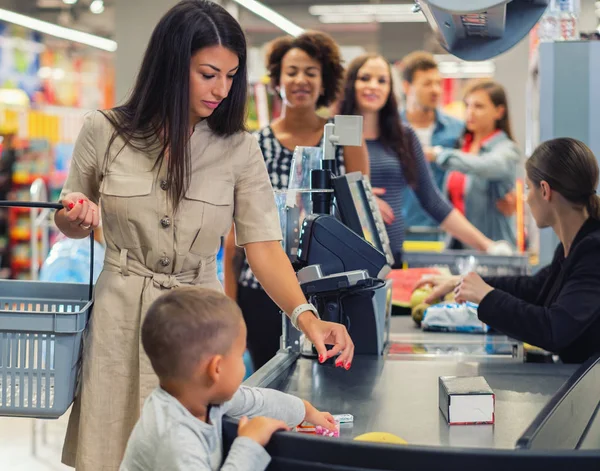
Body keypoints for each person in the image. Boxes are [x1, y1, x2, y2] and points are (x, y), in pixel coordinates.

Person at [55, 3, 354, 469]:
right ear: (173, 64)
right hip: (119, 316)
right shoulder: (104, 132)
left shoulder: (239, 147)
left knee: (188, 452)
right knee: (109, 452)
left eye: (231, 76)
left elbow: (263, 247)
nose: (221, 89)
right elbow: (69, 213)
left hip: (200, 321)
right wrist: (75, 218)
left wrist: (307, 319)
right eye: (209, 73)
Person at [223, 31, 368, 370]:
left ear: (324, 81)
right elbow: (235, 237)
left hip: (332, 289)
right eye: (291, 72)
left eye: (310, 72)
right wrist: (229, 304)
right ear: (277, 80)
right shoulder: (255, 143)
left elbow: (359, 217)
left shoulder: (344, 138)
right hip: (261, 290)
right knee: (267, 381)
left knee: (332, 384)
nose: (300, 80)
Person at [418, 138, 600, 364]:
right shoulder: (576, 245)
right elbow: (534, 288)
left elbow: (554, 329)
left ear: (544, 190)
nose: (526, 197)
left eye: (527, 188)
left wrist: (485, 296)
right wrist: (464, 281)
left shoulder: (593, 251)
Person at [120, 287, 336, 471]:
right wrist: (249, 445)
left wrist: (305, 410)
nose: (243, 364)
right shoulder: (176, 440)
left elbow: (255, 401)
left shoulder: (200, 395)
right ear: (216, 368)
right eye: (240, 355)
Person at [338, 54, 509, 267]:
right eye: (365, 78)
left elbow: (433, 201)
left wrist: (487, 246)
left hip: (392, 257)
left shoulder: (404, 137)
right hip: (344, 256)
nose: (374, 86)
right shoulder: (333, 134)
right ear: (350, 83)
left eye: (382, 80)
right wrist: (356, 199)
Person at [437, 79, 520, 248]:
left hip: (493, 251)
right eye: (467, 105)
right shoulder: (461, 147)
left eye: (479, 106)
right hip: (455, 248)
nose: (470, 112)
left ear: (499, 112)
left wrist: (440, 155)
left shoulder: (506, 149)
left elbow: (487, 165)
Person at [399, 51, 464, 241]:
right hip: (400, 231)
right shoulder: (390, 129)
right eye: (427, 83)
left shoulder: (457, 129)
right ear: (407, 87)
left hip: (446, 233)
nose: (435, 90)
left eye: (438, 83)